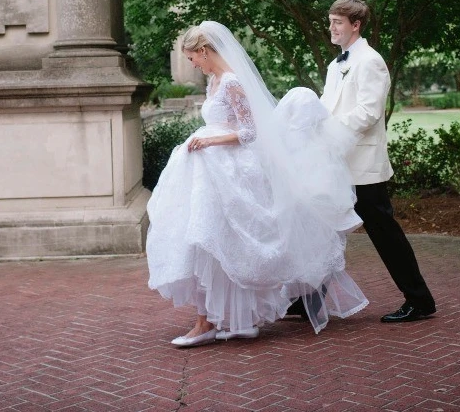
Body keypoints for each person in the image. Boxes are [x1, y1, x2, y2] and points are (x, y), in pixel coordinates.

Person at [146, 21, 368, 348]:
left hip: (231, 168)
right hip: (211, 170)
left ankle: (208, 323)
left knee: (220, 241)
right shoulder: (215, 81)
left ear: (205, 51)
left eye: (193, 57)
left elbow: (250, 133)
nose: (193, 64)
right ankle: (235, 321)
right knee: (214, 242)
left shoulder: (232, 82)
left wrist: (210, 142)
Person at [320, 0, 437, 323]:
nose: (332, 28)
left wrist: (332, 135)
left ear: (355, 25)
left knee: (384, 232)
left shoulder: (371, 61)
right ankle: (307, 302)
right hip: (335, 164)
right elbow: (328, 106)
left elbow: (369, 112)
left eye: (338, 22)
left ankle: (420, 300)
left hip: (363, 167)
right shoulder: (335, 65)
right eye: (330, 21)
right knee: (324, 229)